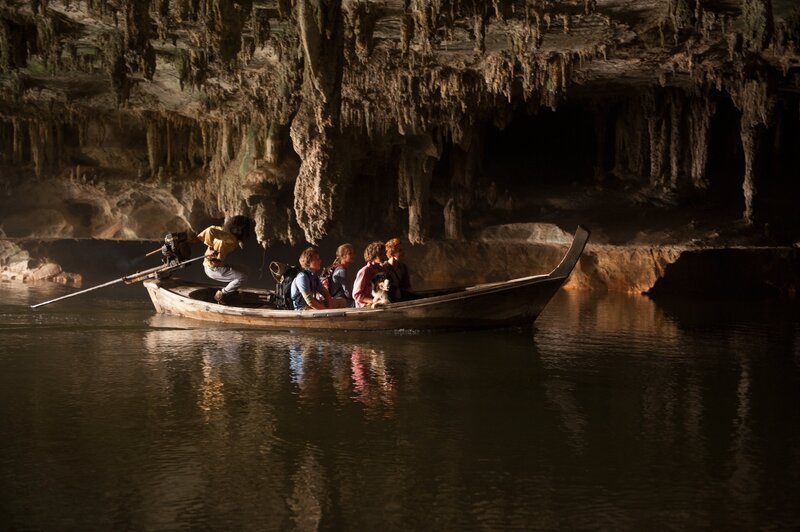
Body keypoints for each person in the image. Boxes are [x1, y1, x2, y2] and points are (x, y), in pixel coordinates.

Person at [194, 215, 252, 305]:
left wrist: (195, 241)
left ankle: (231, 290)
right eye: (238, 229)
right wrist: (209, 248)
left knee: (245, 270)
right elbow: (210, 231)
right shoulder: (232, 239)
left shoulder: (221, 230)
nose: (238, 231)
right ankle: (222, 294)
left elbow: (210, 230)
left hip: (216, 265)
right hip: (213, 269)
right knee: (242, 278)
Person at [353, 241, 386, 308]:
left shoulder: (381, 270)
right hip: (365, 307)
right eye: (380, 254)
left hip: (380, 304)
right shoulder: (364, 272)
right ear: (373, 256)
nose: (384, 256)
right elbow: (356, 295)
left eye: (384, 254)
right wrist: (373, 301)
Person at [382, 237, 412, 301]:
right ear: (392, 253)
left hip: (402, 299)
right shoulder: (384, 269)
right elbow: (382, 290)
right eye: (400, 250)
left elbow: (407, 287)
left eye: (403, 250)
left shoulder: (403, 267)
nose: (403, 252)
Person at [327, 243, 357, 307]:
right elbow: (349, 293)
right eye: (350, 253)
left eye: (353, 253)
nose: (353, 255)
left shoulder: (339, 268)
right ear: (343, 256)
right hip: (340, 303)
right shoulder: (342, 271)